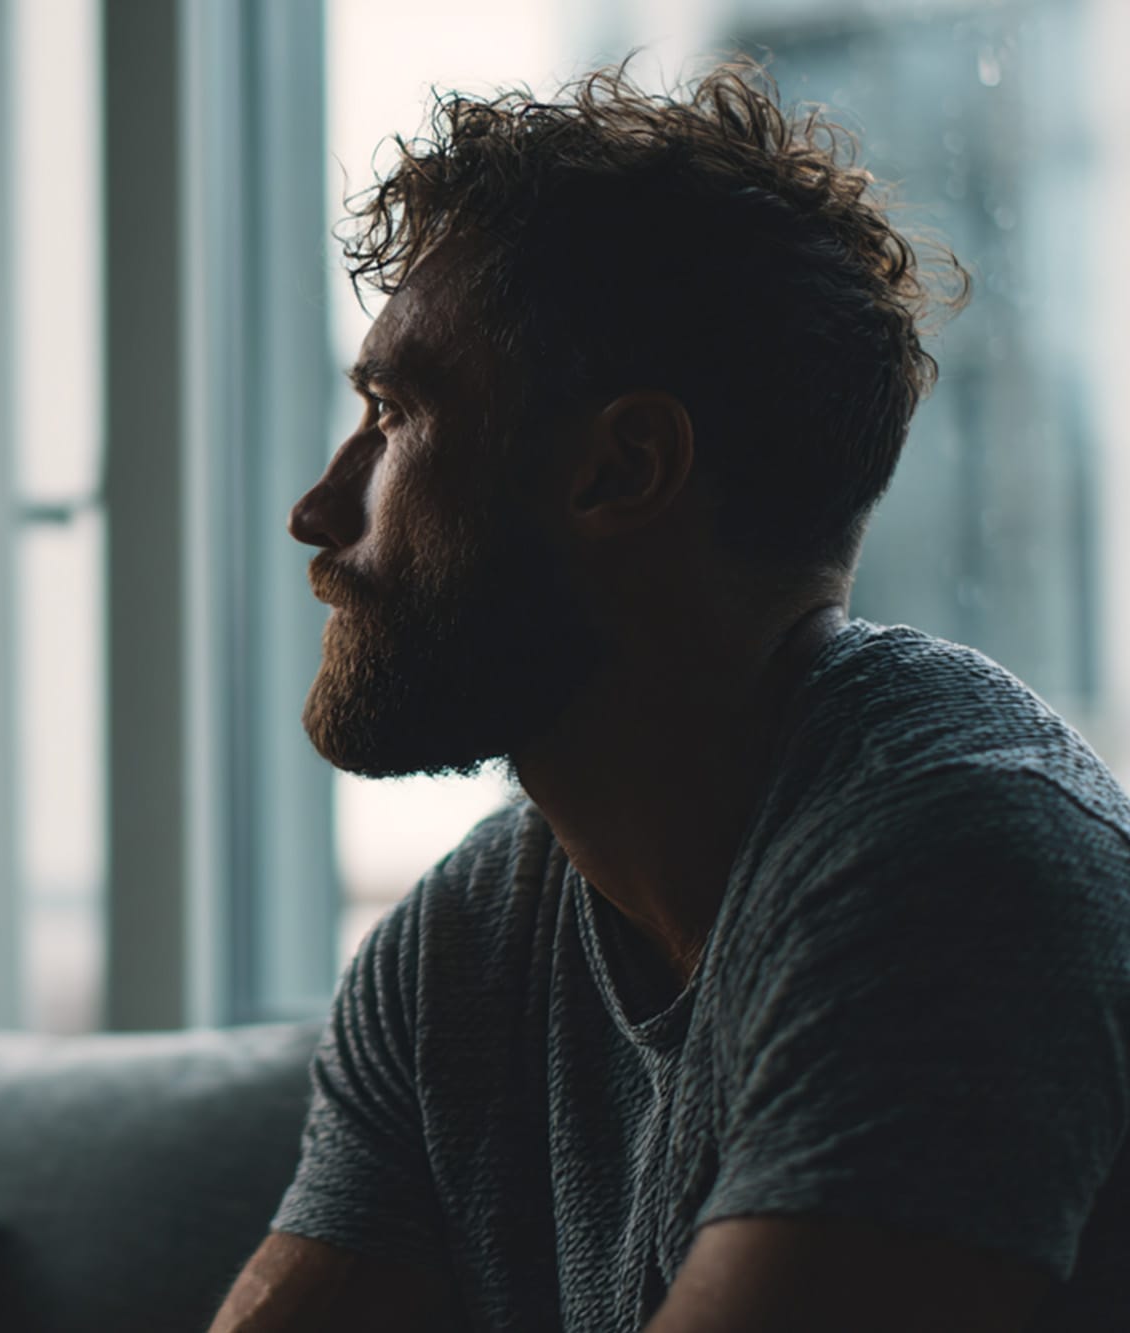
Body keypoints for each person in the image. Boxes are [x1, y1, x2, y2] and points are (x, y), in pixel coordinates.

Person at [210, 60, 1130, 1332]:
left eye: (393, 412)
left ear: (622, 469)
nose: (318, 514)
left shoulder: (958, 868)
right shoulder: (462, 947)